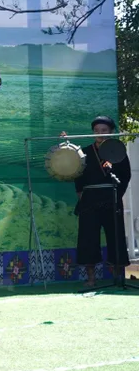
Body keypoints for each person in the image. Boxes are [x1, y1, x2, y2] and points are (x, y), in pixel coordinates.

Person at [73, 116, 131, 288]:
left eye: (104, 130)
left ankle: (118, 276)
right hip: (90, 199)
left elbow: (126, 176)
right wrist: (82, 196)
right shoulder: (83, 152)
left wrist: (117, 195)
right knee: (88, 238)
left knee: (116, 236)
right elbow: (78, 177)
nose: (100, 134)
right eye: (96, 131)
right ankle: (91, 278)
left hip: (111, 197)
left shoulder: (118, 151)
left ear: (111, 132)